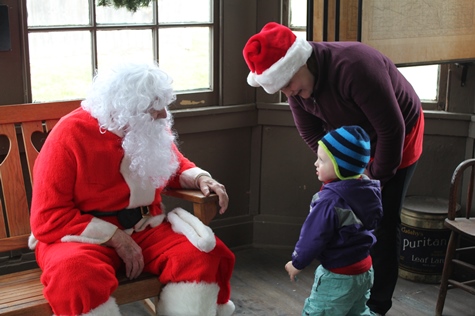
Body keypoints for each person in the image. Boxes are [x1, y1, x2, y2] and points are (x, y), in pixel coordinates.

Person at [243, 22, 424, 315]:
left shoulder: (355, 67)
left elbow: (392, 130)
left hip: (397, 137)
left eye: (289, 82)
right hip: (346, 151)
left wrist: (371, 181)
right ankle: (346, 282)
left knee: (382, 222)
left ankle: (376, 305)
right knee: (337, 214)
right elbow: (313, 137)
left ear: (301, 60)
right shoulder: (296, 89)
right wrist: (340, 173)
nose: (289, 92)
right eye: (282, 88)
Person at [28, 62, 235, 316]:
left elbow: (171, 163)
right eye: (153, 108)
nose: (162, 115)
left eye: (163, 104)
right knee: (75, 277)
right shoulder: (67, 136)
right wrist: (115, 237)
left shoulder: (147, 126)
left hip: (145, 228)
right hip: (79, 236)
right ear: (123, 111)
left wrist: (200, 177)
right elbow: (48, 217)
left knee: (202, 256)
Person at [285, 125, 383, 316]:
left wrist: (297, 263)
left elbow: (313, 237)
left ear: (341, 167)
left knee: (319, 312)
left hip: (339, 275)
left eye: (321, 160)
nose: (315, 163)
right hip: (364, 269)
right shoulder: (367, 189)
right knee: (357, 311)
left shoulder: (329, 201)